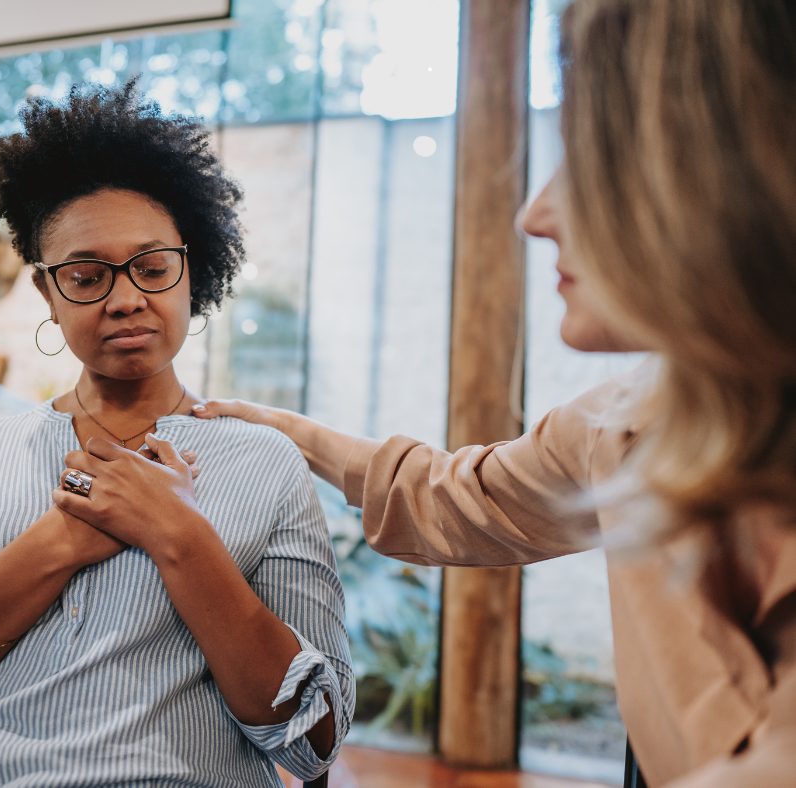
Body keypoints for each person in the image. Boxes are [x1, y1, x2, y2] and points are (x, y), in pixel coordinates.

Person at [192, 1, 796, 786]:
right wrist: (277, 431)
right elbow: (450, 497)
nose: (532, 214)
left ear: (728, 173)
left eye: (589, 162)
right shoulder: (623, 422)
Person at [0, 84, 353, 787]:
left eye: (152, 268)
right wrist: (57, 544)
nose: (125, 298)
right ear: (47, 296)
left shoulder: (264, 462)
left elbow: (314, 738)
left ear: (192, 272)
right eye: (87, 277)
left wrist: (177, 534)